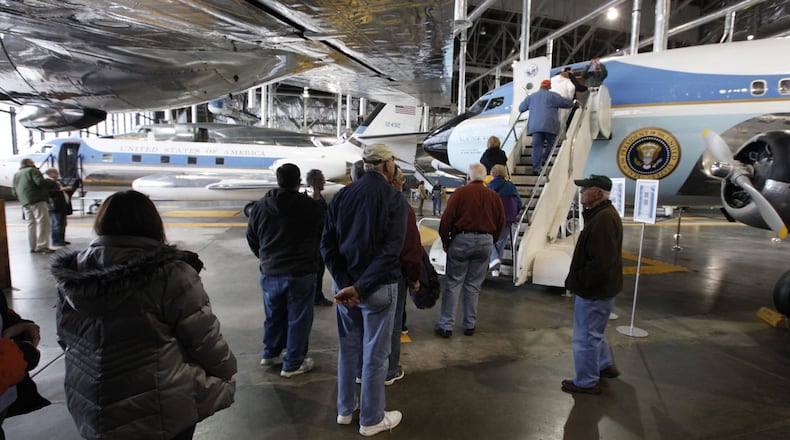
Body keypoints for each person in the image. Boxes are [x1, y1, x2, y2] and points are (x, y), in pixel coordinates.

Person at [51, 190, 237, 439]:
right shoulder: (171, 274)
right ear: (152, 223)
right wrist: (227, 370)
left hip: (92, 401)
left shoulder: (73, 273)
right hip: (158, 404)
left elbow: (65, 337)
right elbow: (203, 339)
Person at [321, 143, 406, 436]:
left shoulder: (342, 195)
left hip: (345, 289)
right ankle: (371, 419)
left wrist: (347, 283)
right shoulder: (394, 198)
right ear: (387, 165)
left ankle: (345, 410)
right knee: (375, 356)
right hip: (378, 288)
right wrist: (361, 287)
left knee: (348, 349)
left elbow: (327, 245)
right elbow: (391, 251)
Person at [248, 164, 325, 377]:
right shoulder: (310, 207)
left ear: (278, 180)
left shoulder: (261, 206)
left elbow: (252, 237)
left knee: (273, 315)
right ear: (299, 182)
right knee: (298, 319)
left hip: (270, 271)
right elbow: (323, 235)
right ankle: (292, 363)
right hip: (301, 273)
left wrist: (265, 258)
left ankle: (270, 353)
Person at [561, 175, 623, 395]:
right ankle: (604, 364)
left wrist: (581, 282)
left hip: (594, 291)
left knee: (585, 336)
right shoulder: (602, 215)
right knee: (595, 331)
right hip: (602, 289)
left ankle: (586, 381)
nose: (581, 193)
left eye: (585, 189)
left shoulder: (603, 220)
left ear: (597, 193)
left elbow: (600, 263)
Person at [435, 163, 505, 338]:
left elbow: (446, 220)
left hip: (462, 240)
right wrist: (491, 240)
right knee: (473, 285)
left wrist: (446, 241)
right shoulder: (493, 196)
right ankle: (469, 325)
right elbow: (501, 222)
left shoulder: (460, 193)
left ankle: (446, 326)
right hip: (485, 241)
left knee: (453, 283)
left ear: (468, 177)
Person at [386, 165, 423, 386]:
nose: (403, 184)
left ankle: (362, 369)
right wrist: (414, 277)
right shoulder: (401, 207)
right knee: (393, 323)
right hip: (392, 275)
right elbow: (411, 248)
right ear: (393, 181)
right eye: (401, 180)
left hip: (357, 276)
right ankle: (389, 369)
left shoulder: (353, 199)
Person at [518, 79, 573, 175]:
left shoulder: (531, 97)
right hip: (549, 125)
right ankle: (544, 159)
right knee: (552, 143)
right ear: (549, 87)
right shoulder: (553, 96)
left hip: (535, 126)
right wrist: (573, 101)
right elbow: (567, 103)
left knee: (537, 147)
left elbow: (521, 108)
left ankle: (536, 168)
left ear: (540, 86)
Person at [487, 164, 523, 276]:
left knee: (488, 240)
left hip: (493, 218)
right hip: (507, 218)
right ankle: (496, 270)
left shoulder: (489, 186)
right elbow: (519, 202)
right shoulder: (510, 186)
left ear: (492, 174)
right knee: (500, 243)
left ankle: (494, 260)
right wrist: (515, 212)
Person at [11, 158, 53, 253]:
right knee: (43, 222)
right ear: (29, 163)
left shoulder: (16, 174)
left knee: (30, 223)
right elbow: (39, 182)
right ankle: (43, 245)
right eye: (32, 162)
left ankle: (32, 246)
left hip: (25, 202)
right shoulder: (33, 170)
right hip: (37, 199)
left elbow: (14, 191)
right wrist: (51, 182)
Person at [306, 168, 334, 307]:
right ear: (314, 181)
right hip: (315, 242)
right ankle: (316, 296)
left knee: (319, 270)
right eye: (321, 179)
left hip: (319, 240)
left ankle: (316, 295)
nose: (324, 181)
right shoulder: (313, 199)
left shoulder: (318, 197)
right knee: (317, 270)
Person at [44, 168, 74, 246]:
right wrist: (60, 190)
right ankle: (56, 240)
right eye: (56, 173)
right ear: (50, 174)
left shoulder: (59, 181)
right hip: (55, 205)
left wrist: (68, 189)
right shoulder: (47, 182)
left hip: (63, 205)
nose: (57, 174)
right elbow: (49, 193)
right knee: (56, 223)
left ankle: (61, 239)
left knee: (63, 223)